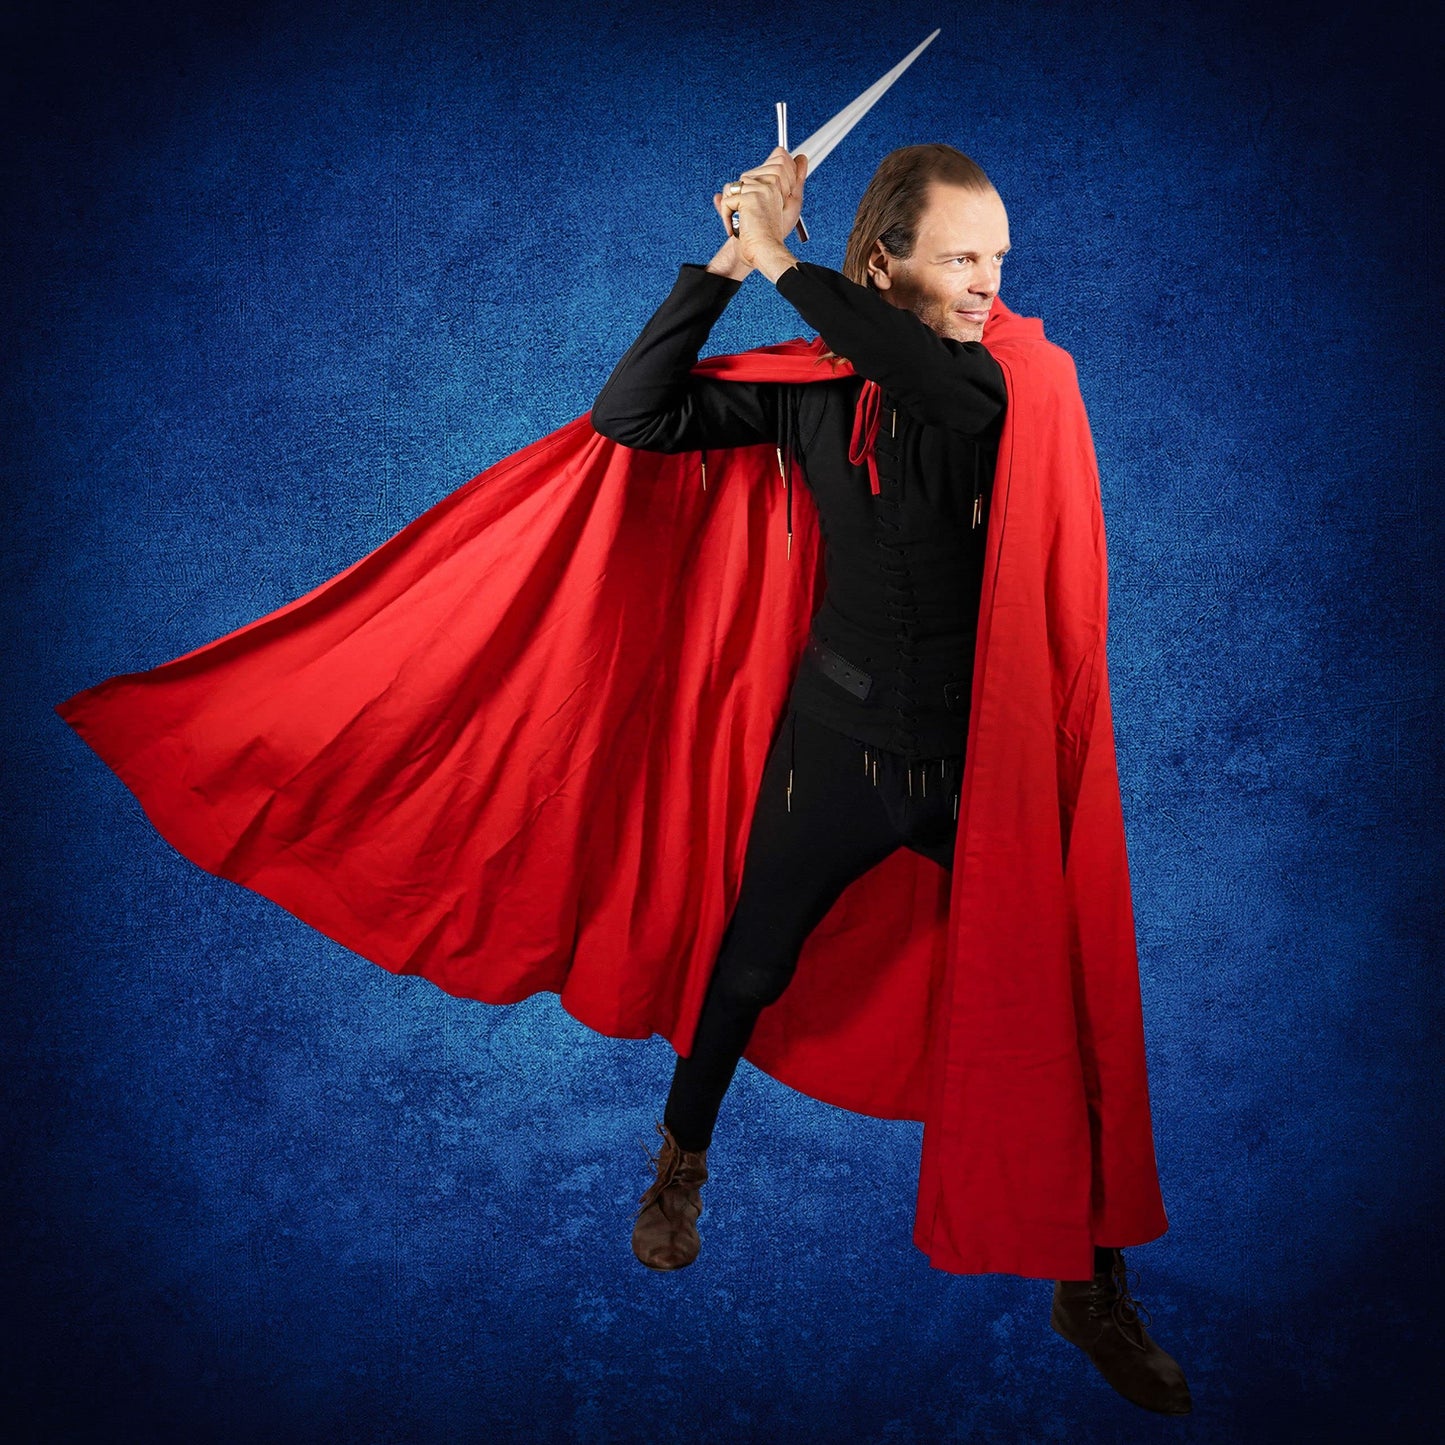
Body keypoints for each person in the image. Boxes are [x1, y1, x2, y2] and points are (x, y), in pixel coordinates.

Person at [590, 142, 1192, 1417]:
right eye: (960, 257)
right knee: (748, 967)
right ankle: (679, 1162)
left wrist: (781, 257)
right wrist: (727, 263)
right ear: (882, 262)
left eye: (997, 258)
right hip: (834, 751)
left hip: (983, 769)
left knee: (1058, 1009)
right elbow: (632, 413)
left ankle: (1087, 1282)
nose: (987, 282)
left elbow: (936, 388)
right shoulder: (808, 389)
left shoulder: (1010, 380)